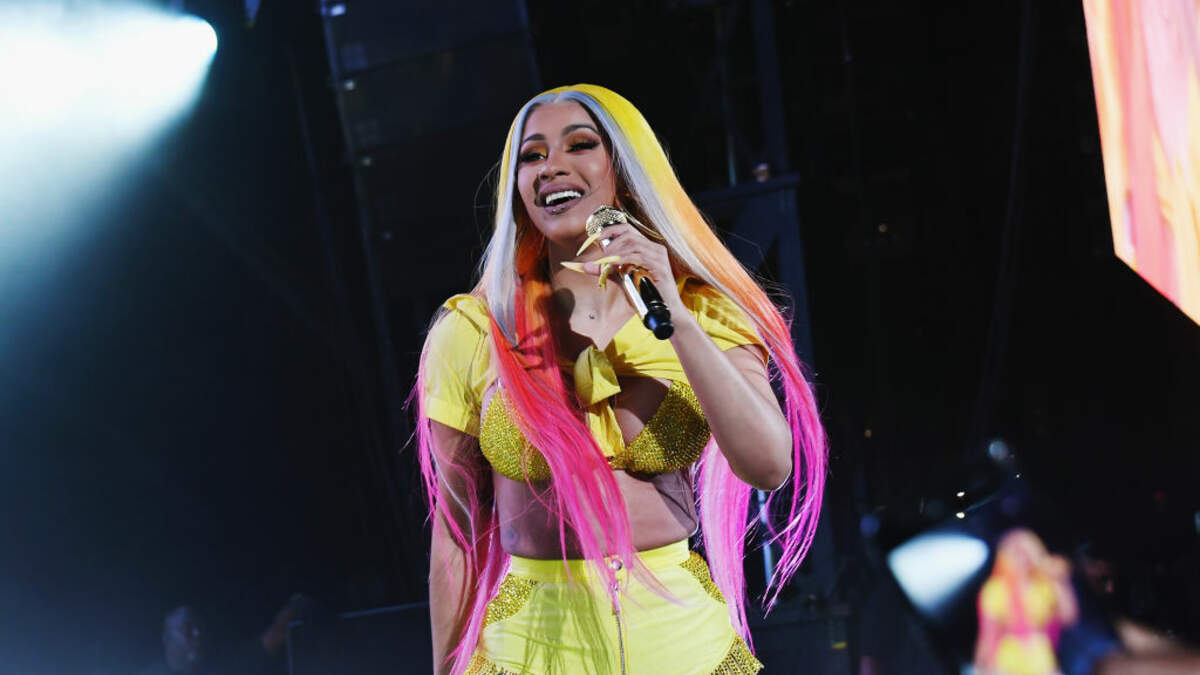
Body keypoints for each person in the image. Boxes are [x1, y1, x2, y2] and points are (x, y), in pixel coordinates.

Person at [415, 84, 827, 675]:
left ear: (626, 171)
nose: (551, 166)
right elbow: (454, 536)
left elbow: (767, 466)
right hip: (534, 649)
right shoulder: (475, 329)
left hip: (686, 644)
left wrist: (674, 317)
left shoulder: (704, 311)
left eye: (580, 145)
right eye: (532, 156)